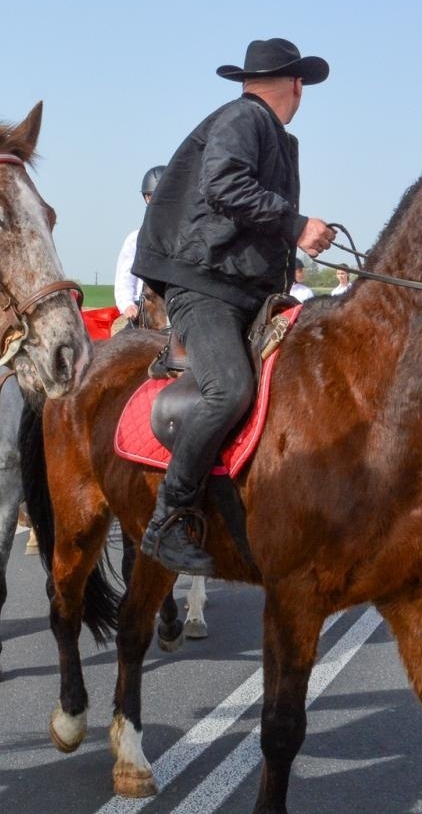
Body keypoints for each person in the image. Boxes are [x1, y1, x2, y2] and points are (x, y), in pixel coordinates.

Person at [132, 38, 337, 575]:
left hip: (248, 289)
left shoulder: (266, 129)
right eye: (302, 88)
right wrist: (297, 225)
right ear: (295, 85)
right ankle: (168, 517)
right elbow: (223, 185)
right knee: (229, 391)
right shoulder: (245, 118)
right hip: (206, 288)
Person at [113, 166, 166, 333]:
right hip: (142, 311)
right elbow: (124, 280)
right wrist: (127, 304)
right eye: (151, 196)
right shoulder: (135, 239)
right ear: (146, 198)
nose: (156, 200)